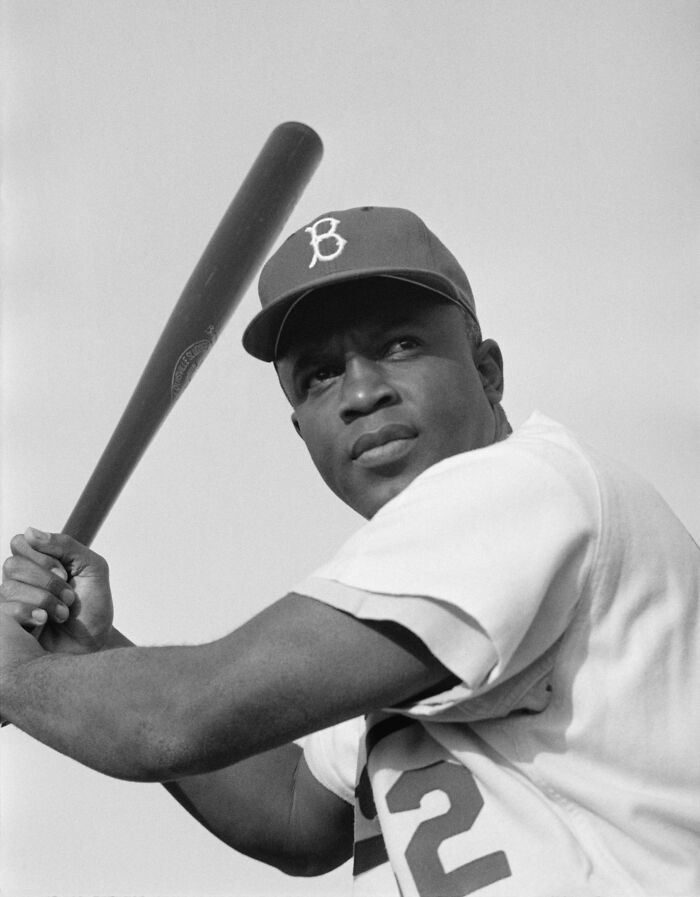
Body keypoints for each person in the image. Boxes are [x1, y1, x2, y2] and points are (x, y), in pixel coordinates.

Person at [1, 206, 698, 896]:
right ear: (300, 430)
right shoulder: (410, 589)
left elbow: (180, 718)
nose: (362, 392)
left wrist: (15, 674)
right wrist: (84, 652)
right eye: (320, 374)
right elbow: (294, 811)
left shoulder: (522, 488)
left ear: (487, 371)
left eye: (399, 345)